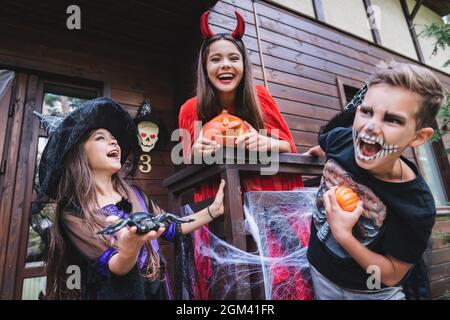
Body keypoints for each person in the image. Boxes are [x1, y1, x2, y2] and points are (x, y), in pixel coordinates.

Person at [33, 97, 225, 299]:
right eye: (100, 137)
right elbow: (113, 266)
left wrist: (213, 210)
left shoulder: (134, 193)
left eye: (113, 138)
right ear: (79, 153)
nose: (113, 141)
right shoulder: (72, 212)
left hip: (156, 291)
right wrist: (127, 252)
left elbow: (172, 227)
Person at [177, 11, 307, 300]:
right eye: (216, 59)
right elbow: (185, 157)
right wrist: (194, 153)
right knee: (231, 286)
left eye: (233, 58)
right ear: (205, 67)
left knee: (273, 282)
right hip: (219, 207)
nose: (225, 65)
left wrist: (266, 141)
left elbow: (288, 146)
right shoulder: (190, 109)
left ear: (244, 65)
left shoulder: (260, 97)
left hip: (266, 206)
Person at [305, 61, 446, 300]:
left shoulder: (415, 205)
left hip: (371, 292)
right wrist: (312, 153)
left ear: (418, 136)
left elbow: (391, 274)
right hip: (319, 274)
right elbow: (326, 143)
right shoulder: (341, 140)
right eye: (367, 111)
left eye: (392, 119)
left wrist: (344, 236)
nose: (370, 127)